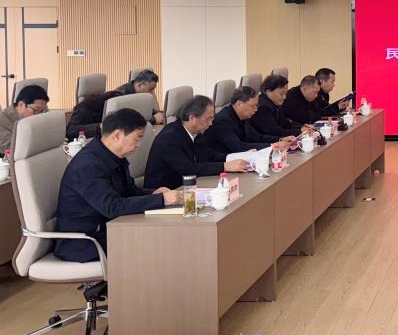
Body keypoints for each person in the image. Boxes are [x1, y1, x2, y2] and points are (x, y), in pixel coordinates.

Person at [55, 109, 181, 262]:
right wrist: (161, 200)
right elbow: (112, 207)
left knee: (166, 235)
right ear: (117, 135)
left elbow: (129, 191)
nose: (138, 145)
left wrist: (154, 193)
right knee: (158, 243)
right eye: (137, 139)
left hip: (109, 229)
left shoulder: (112, 157)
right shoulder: (87, 165)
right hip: (85, 242)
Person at [143, 95, 249, 191]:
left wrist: (239, 157)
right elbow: (188, 169)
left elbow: (210, 155)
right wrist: (225, 166)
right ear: (192, 118)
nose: (210, 124)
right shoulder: (169, 138)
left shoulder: (195, 132)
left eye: (212, 119)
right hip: (164, 192)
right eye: (208, 119)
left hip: (187, 186)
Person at [202, 86, 289, 155]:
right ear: (239, 104)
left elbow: (255, 137)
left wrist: (280, 139)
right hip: (222, 162)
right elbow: (238, 147)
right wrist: (271, 146)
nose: (256, 109)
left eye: (257, 105)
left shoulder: (243, 116)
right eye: (253, 106)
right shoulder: (222, 121)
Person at [0, 85, 49, 154]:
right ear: (21, 105)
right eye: (35, 110)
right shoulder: (2, 122)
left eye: (42, 111)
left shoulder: (38, 114)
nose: (39, 115)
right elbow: (10, 148)